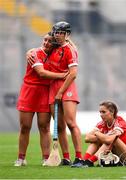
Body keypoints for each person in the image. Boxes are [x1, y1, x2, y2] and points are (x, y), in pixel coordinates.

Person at [27, 21, 83, 166]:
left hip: (67, 88)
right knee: (59, 127)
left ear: (67, 35)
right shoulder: (52, 48)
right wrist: (29, 52)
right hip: (53, 88)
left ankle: (79, 157)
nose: (58, 35)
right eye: (56, 32)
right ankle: (66, 157)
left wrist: (60, 92)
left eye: (61, 33)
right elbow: (40, 49)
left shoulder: (70, 49)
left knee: (71, 123)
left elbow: (73, 74)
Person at [14, 32, 68, 166]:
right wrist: (62, 75)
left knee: (44, 127)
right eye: (44, 40)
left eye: (49, 41)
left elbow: (70, 46)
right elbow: (41, 73)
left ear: (54, 43)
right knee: (25, 126)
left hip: (45, 92)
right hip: (29, 91)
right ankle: (21, 158)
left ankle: (45, 158)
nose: (45, 43)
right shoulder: (35, 53)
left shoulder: (56, 55)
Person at [75, 100, 126, 167]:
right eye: (100, 112)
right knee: (97, 140)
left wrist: (97, 133)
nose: (101, 115)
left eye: (103, 112)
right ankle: (85, 160)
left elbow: (108, 140)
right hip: (117, 155)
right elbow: (87, 138)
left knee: (112, 140)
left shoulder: (120, 122)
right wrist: (100, 137)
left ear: (112, 112)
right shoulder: (102, 123)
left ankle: (90, 161)